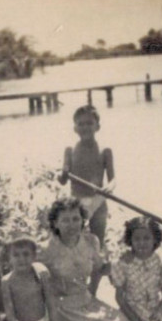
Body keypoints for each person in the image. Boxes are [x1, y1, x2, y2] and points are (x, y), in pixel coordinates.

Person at [41, 197, 129, 321]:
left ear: (82, 220)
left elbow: (100, 267)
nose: (72, 224)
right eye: (65, 220)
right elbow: (31, 279)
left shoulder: (91, 241)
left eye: (75, 219)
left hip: (88, 302)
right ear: (55, 223)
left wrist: (124, 269)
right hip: (63, 310)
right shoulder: (46, 249)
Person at [0, 237, 64, 321]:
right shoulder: (7, 281)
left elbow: (51, 303)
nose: (21, 259)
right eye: (16, 255)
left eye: (26, 254)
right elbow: (9, 311)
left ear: (34, 256)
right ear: (9, 258)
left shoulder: (41, 273)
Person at [58, 105, 114, 245]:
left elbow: (113, 179)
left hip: (98, 200)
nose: (85, 127)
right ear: (75, 128)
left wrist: (109, 187)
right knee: (75, 242)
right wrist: (63, 174)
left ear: (97, 126)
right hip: (76, 201)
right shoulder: (70, 150)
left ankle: (98, 264)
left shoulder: (105, 150)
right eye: (81, 124)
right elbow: (63, 180)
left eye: (89, 123)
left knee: (97, 242)